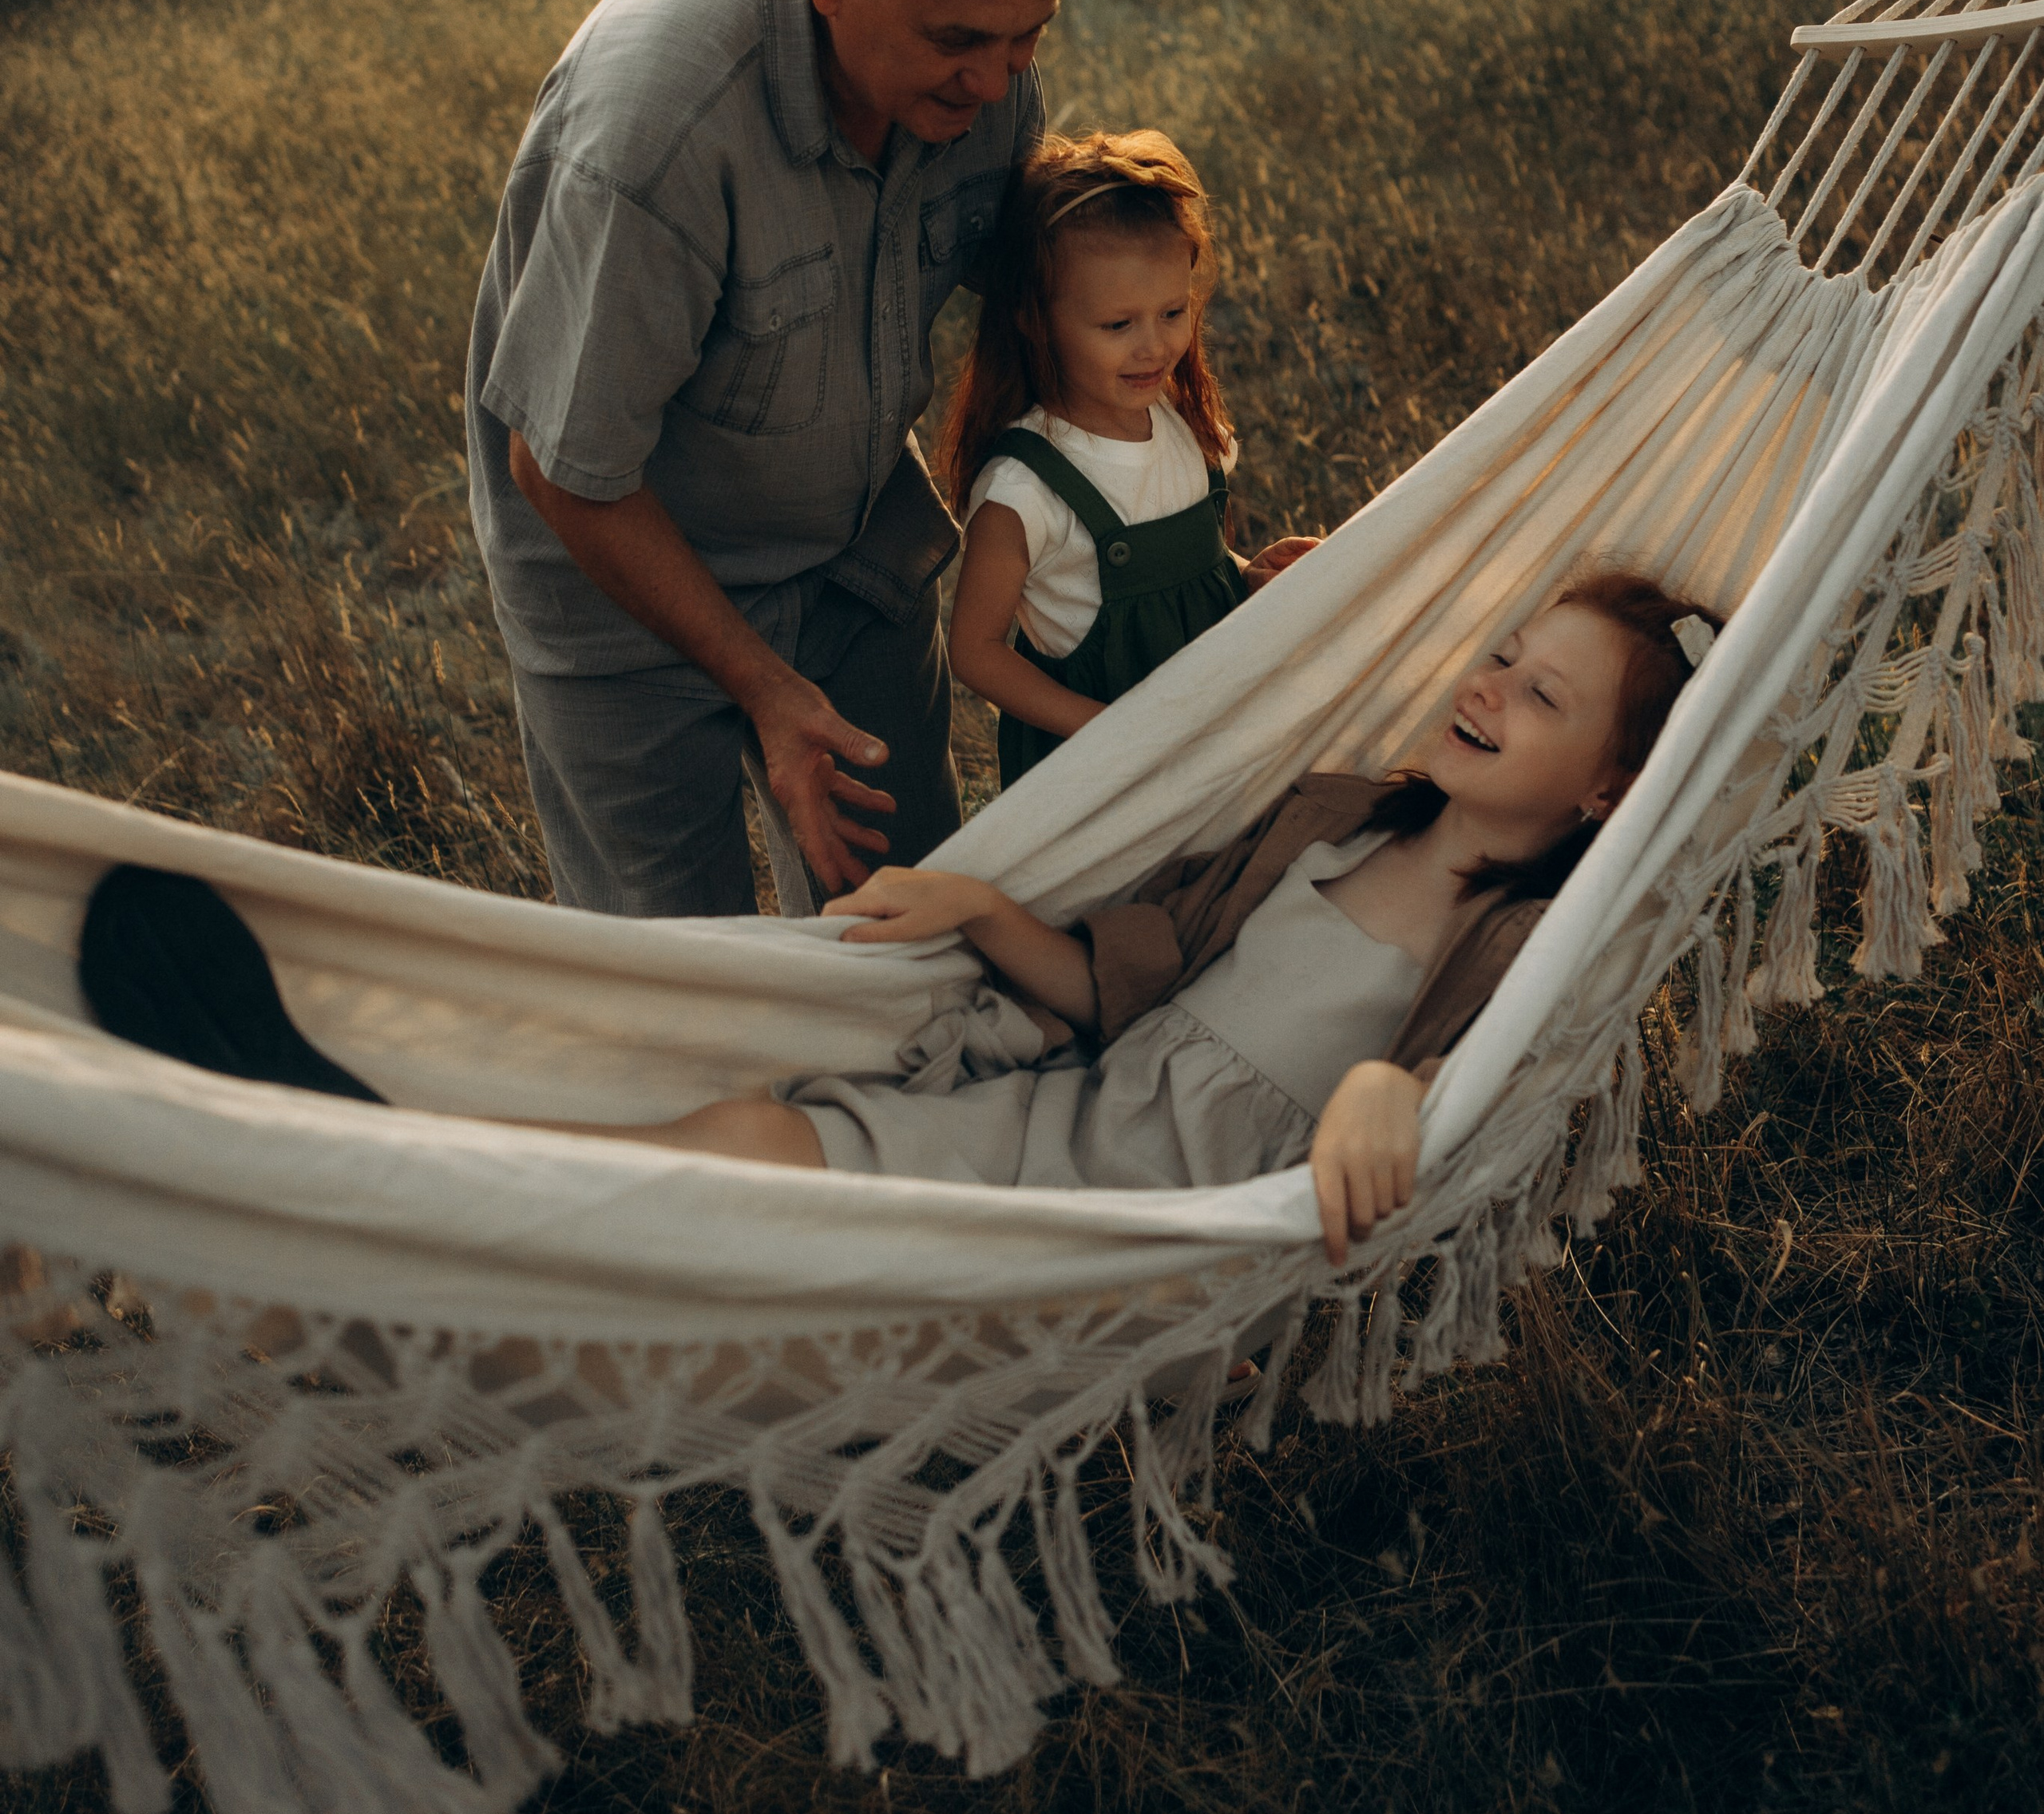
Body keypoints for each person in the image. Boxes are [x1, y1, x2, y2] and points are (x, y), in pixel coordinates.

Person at [77, 574, 1719, 1271]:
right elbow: (1111, 986)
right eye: (1495, 650)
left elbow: (1460, 1099)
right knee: (728, 1122)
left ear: (1601, 792)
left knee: (720, 1191)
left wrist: (1387, 1097)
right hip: (1037, 1126)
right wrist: (981, 906)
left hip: (1120, 1242)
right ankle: (346, 1135)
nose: (1486, 683)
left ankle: (341, 1174)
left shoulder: (1508, 954)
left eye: (1539, 689)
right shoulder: (1328, 814)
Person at [463, 0, 1064, 918]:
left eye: (1029, 36)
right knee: (683, 988)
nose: (996, 85)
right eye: (958, 43)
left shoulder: (988, 81)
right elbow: (563, 472)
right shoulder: (659, 132)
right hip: (618, 591)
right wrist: (764, 691)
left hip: (846, 558)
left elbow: (1034, 319)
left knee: (905, 931)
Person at [937, 132, 1318, 786]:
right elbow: (975, 652)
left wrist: (1240, 578)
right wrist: (1106, 730)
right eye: (1119, 326)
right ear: (1035, 318)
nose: (1154, 346)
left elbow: (1173, 587)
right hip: (1099, 777)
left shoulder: (1178, 423)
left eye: (1173, 312)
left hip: (1209, 738)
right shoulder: (1026, 488)